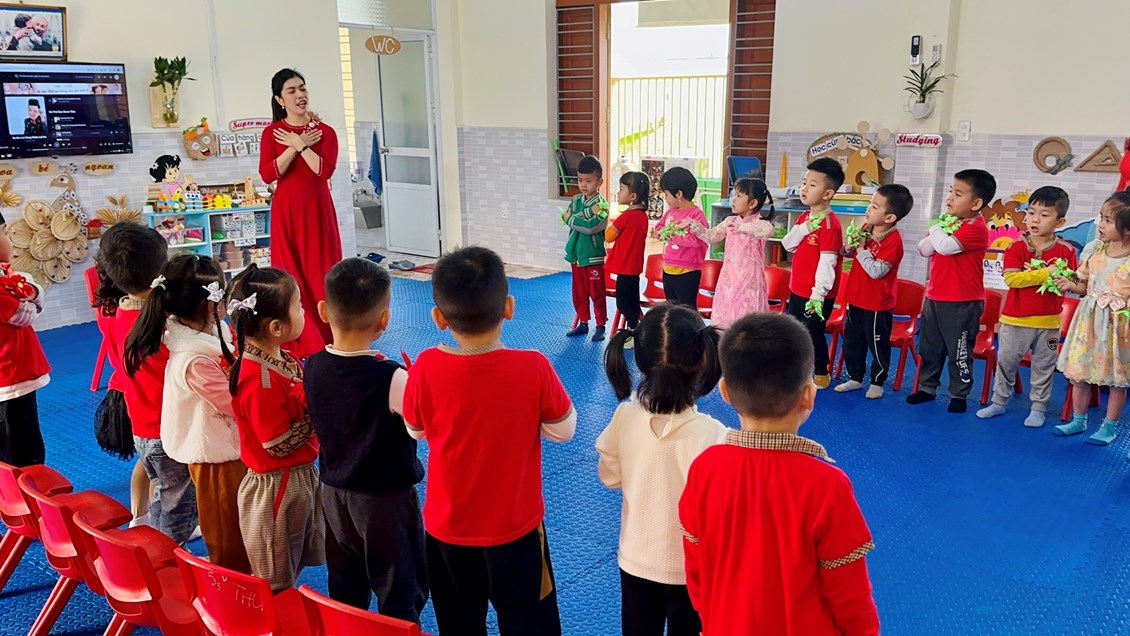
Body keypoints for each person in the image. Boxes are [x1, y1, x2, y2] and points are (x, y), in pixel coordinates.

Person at [403, 246, 575, 635]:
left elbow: (416, 430)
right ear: (508, 307)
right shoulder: (533, 367)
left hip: (446, 531)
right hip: (516, 529)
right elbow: (564, 430)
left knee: (459, 625)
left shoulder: (426, 366)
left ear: (438, 318)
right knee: (530, 625)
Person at [678, 312, 879, 635]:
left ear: (725, 391)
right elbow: (850, 596)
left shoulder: (705, 468)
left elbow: (696, 570)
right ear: (808, 396)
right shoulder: (828, 485)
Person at [305, 258, 428, 623]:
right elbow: (420, 428)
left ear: (323, 311)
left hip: (333, 496)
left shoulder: (312, 365)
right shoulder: (392, 376)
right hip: (385, 503)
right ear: (385, 319)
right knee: (400, 590)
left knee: (345, 587)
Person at [596, 304, 727, 636]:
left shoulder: (624, 418)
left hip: (636, 557)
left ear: (641, 360)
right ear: (702, 359)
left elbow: (610, 477)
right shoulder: (714, 435)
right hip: (692, 568)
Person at [127, 254, 251, 573]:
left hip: (216, 446)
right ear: (212, 305)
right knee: (224, 529)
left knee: (225, 519)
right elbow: (234, 402)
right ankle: (221, 581)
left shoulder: (201, 335)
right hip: (214, 455)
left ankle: (222, 571)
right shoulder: (194, 358)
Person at [227, 265, 325, 591]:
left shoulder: (282, 358)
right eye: (299, 306)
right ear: (276, 327)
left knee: (292, 562)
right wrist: (323, 413)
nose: (304, 312)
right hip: (277, 489)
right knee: (274, 579)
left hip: (297, 477)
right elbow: (277, 444)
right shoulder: (259, 379)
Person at [258, 68, 342, 359]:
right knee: (289, 274)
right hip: (287, 211)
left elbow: (323, 171)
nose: (300, 95)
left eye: (303, 88)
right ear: (280, 100)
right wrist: (294, 146)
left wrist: (302, 144)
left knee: (322, 271)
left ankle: (331, 335)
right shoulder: (272, 133)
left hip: (317, 210)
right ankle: (298, 338)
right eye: (292, 91)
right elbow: (268, 174)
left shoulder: (326, 132)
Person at [976, 186, 1076, 428]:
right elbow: (1012, 279)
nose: (1035, 220)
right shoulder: (1016, 247)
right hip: (1015, 320)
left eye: (1044, 215)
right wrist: (1046, 273)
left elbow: (1073, 280)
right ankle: (999, 401)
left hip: (1049, 324)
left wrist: (1071, 282)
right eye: (1031, 213)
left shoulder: (1066, 250)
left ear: (1060, 222)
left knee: (1044, 366)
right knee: (1006, 362)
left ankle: (1038, 408)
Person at [124, 257, 203, 546]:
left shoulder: (129, 319)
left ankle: (157, 548)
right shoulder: (173, 339)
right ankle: (169, 559)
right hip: (167, 433)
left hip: (142, 429)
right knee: (176, 504)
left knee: (164, 493)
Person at [94, 224, 168, 526]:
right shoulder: (156, 320)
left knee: (147, 463)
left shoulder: (113, 309)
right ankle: (161, 527)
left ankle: (140, 518)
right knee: (166, 478)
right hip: (160, 412)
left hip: (132, 402)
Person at [907, 169, 995, 413]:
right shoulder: (949, 224)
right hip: (935, 296)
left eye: (958, 194)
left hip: (962, 301)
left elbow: (945, 247)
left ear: (976, 203)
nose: (949, 198)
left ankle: (959, 393)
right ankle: (927, 387)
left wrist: (937, 226)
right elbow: (924, 249)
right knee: (930, 348)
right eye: (950, 191)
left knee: (959, 351)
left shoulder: (976, 227)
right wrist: (940, 227)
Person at [1053, 192, 1130, 447]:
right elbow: (1084, 285)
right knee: (1079, 374)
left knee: (1117, 380)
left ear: (1127, 230)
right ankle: (1079, 419)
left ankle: (1109, 427)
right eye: (1101, 218)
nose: (1101, 225)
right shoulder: (1095, 250)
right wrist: (1070, 284)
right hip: (1089, 322)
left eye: (1108, 220)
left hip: (1118, 328)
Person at [835, 184, 913, 399]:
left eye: (875, 206)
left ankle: (877, 381)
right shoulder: (866, 229)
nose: (868, 209)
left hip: (878, 303)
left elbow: (876, 271)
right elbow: (848, 254)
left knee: (877, 344)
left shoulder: (893, 242)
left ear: (890, 218)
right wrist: (848, 248)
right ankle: (855, 377)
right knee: (852, 341)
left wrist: (861, 250)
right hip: (856, 297)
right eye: (870, 203)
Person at [781, 158, 845, 388]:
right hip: (797, 288)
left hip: (816, 295)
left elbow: (828, 263)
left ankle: (821, 371)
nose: (804, 188)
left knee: (812, 332)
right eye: (804, 183)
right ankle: (796, 370)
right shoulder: (804, 218)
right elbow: (788, 245)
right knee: (794, 331)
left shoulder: (830, 225)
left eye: (812, 185)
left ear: (828, 194)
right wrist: (804, 228)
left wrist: (818, 295)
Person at [688, 177, 775, 328]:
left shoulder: (761, 224)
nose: (733, 199)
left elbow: (767, 231)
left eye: (739, 196)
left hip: (750, 282)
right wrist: (692, 224)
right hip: (728, 280)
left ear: (752, 203)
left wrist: (744, 228)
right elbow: (711, 236)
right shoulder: (730, 221)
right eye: (734, 195)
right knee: (725, 319)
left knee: (748, 320)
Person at [0, 210, 48, 467]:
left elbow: (30, 291)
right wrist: (29, 295)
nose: (10, 239)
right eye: (4, 233)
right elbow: (26, 313)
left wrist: (30, 291)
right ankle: (26, 486)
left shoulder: (4, 274)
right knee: (21, 445)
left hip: (12, 376)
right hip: (11, 376)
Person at [563, 155, 609, 341]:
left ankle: (600, 325)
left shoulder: (603, 205)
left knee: (597, 292)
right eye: (580, 180)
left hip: (593, 256)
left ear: (599, 182)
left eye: (588, 181)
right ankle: (583, 323)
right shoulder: (575, 200)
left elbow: (590, 227)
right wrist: (586, 213)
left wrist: (572, 218)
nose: (583, 185)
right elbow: (566, 217)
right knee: (579, 293)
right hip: (576, 255)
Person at [653, 167, 708, 308]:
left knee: (686, 310)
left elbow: (697, 240)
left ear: (678, 194)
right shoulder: (671, 212)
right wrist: (659, 232)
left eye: (666, 194)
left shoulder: (697, 215)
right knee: (670, 309)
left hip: (688, 271)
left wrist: (672, 236)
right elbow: (659, 226)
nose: (665, 198)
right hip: (668, 268)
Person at [605, 170, 650, 338]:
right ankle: (636, 328)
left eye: (621, 189)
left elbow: (608, 237)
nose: (618, 193)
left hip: (624, 267)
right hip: (634, 267)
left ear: (633, 196)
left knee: (623, 303)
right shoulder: (642, 216)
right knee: (632, 300)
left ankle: (634, 330)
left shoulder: (626, 217)